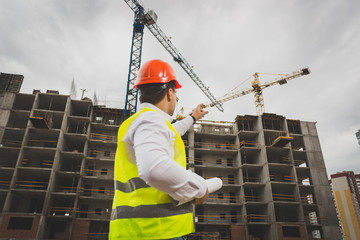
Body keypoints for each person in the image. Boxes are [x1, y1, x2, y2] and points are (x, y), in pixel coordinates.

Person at [109, 59, 209, 240]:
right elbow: (154, 168)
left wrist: (192, 118)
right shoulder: (150, 120)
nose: (176, 99)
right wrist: (199, 188)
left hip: (137, 229)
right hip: (156, 230)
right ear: (170, 93)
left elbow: (171, 132)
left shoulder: (140, 121)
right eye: (176, 95)